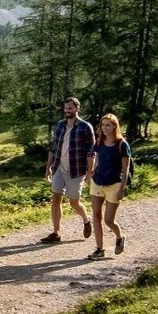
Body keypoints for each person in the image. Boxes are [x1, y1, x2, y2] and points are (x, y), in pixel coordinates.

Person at [40, 96, 95, 244]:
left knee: (74, 202)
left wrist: (90, 173)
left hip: (76, 170)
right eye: (65, 108)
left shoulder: (85, 127)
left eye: (70, 108)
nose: (67, 111)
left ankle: (86, 220)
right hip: (59, 167)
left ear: (77, 109)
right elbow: (53, 147)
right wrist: (48, 168)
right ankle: (56, 233)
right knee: (56, 198)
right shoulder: (60, 125)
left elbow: (91, 152)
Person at [86, 113, 133, 260]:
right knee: (96, 215)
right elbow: (93, 156)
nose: (105, 128)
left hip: (114, 185)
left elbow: (125, 170)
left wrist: (122, 189)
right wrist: (90, 172)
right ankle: (99, 249)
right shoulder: (100, 141)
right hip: (97, 183)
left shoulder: (122, 144)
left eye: (108, 125)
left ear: (115, 126)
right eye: (103, 125)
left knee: (108, 220)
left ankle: (120, 237)